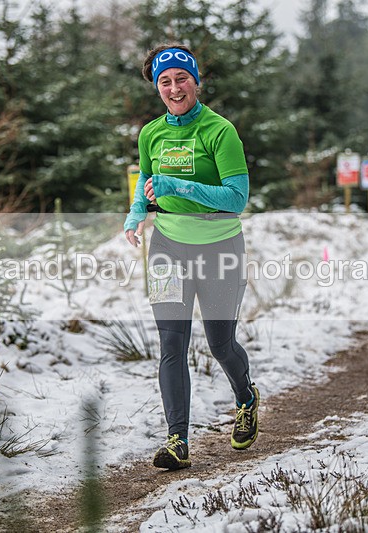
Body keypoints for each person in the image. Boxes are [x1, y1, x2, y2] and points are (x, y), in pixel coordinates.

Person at [123, 43, 259, 470]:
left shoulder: (220, 132)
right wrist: (135, 213)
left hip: (220, 247)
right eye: (165, 81)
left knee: (220, 344)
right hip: (166, 247)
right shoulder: (151, 134)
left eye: (182, 78)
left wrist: (178, 187)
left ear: (196, 81)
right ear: (158, 88)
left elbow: (236, 198)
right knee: (171, 344)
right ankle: (177, 439)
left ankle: (246, 397)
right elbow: (147, 179)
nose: (174, 87)